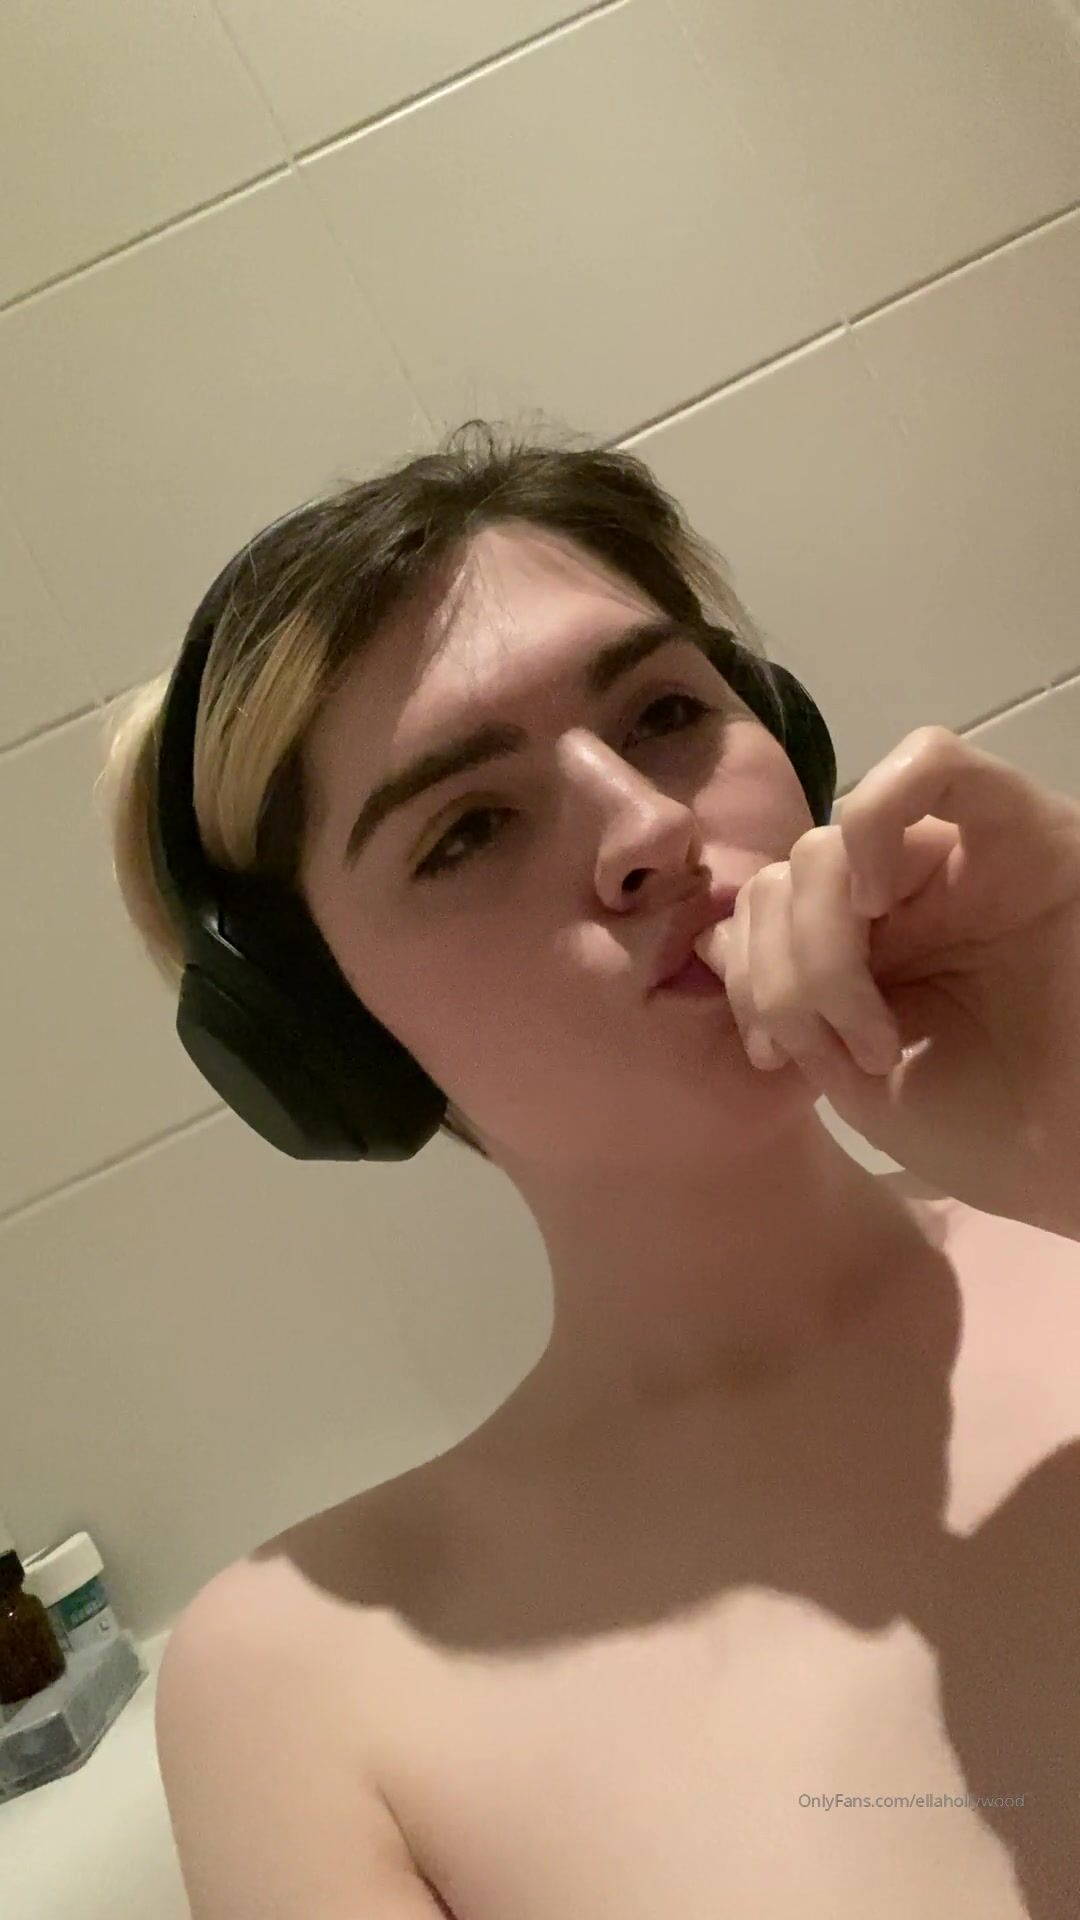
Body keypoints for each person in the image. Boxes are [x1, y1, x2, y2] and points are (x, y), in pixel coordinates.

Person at [99, 421, 1079, 1918]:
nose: (649, 826)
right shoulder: (303, 1682)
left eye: (666, 712)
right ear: (328, 1040)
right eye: (468, 828)